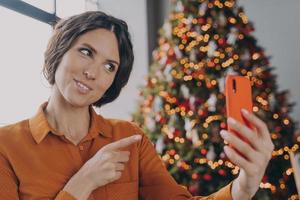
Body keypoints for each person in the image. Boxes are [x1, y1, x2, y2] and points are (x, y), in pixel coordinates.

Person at [0, 11, 274, 200]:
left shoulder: (130, 139)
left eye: (110, 66)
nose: (93, 73)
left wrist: (244, 187)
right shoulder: (6, 145)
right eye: (86, 52)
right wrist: (82, 183)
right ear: (59, 51)